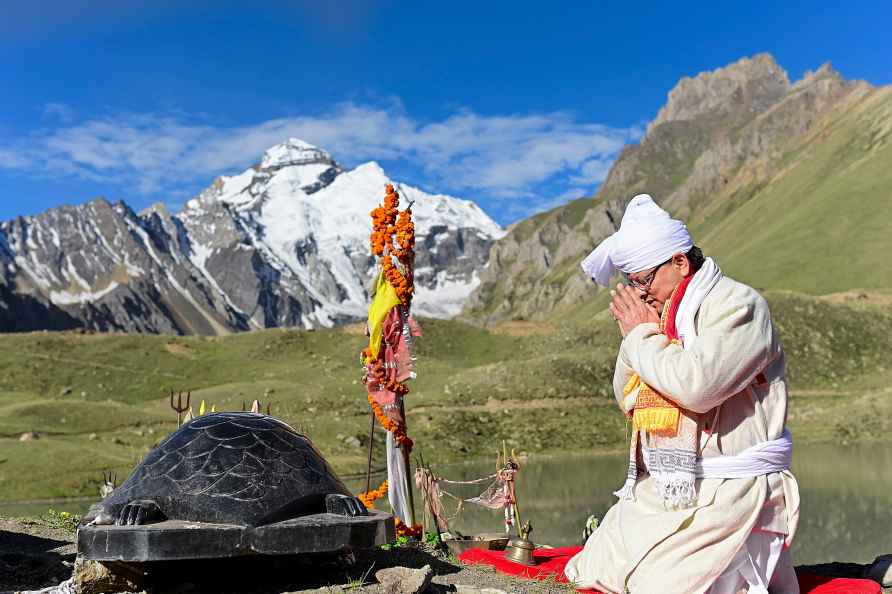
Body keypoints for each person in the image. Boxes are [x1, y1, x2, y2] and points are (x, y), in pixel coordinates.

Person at [564, 194, 800, 594]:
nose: (639, 293)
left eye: (643, 280)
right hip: (669, 483)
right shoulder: (659, 318)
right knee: (591, 568)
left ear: (679, 261)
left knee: (657, 587)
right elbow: (628, 395)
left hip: (729, 489)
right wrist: (641, 334)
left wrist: (641, 335)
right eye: (632, 283)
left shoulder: (739, 306)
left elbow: (697, 387)